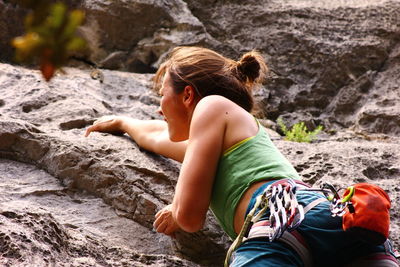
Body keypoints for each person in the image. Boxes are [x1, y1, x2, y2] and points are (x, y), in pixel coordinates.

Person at [85, 46, 398, 266]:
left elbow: (190, 217)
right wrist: (124, 122)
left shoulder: (211, 106)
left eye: (162, 95)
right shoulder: (226, 137)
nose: (158, 107)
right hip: (331, 222)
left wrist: (177, 210)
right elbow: (156, 136)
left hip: (277, 224)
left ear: (188, 95)